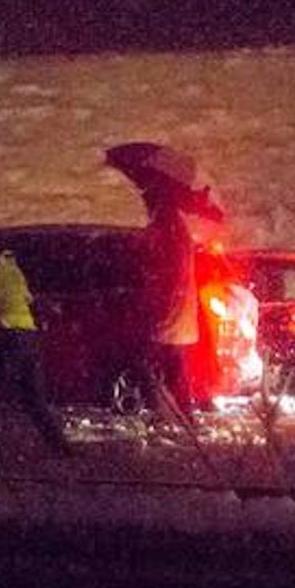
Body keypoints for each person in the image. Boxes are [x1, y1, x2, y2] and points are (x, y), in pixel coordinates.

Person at [104, 142, 225, 415]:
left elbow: (163, 270)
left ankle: (166, 412)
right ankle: (184, 413)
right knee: (173, 368)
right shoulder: (174, 225)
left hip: (169, 311)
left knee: (146, 361)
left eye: (148, 197)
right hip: (179, 313)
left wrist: (152, 295)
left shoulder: (166, 226)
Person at [0, 227, 73, 471]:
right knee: (33, 400)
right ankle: (64, 452)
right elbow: (25, 298)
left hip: (9, 336)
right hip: (27, 337)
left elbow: (4, 302)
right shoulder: (10, 266)